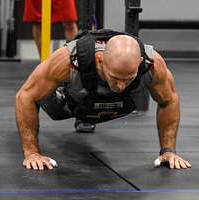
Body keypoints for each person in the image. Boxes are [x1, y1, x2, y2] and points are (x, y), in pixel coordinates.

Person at [15, 29, 191, 171]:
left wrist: (168, 151)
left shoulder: (152, 63)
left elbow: (169, 100)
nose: (121, 86)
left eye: (128, 79)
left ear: (139, 62)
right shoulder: (68, 60)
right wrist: (32, 153)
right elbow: (25, 96)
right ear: (100, 60)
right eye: (115, 77)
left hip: (113, 107)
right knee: (35, 92)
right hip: (66, 104)